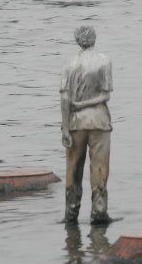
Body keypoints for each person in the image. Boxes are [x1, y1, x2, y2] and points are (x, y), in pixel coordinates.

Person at [60, 26, 113, 224]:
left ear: (77, 41)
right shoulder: (104, 61)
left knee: (73, 168)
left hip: (75, 122)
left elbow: (65, 97)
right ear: (94, 39)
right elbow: (106, 94)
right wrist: (87, 103)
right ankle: (99, 212)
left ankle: (71, 213)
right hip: (99, 120)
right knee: (99, 167)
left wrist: (65, 128)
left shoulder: (69, 64)